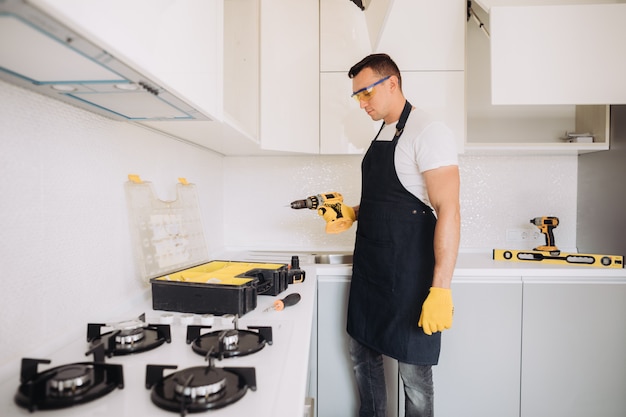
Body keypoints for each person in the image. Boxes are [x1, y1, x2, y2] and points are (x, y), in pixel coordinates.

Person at [346, 53, 460, 417]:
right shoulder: (385, 130)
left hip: (409, 274)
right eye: (357, 97)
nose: (362, 103)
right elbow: (392, 200)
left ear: (391, 83)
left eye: (366, 93)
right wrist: (353, 212)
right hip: (372, 271)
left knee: (413, 371)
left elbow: (449, 210)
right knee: (362, 354)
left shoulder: (429, 130)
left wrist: (440, 288)